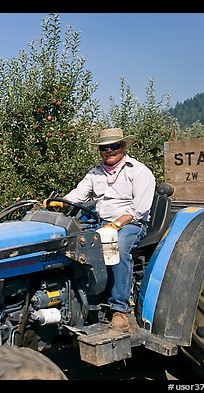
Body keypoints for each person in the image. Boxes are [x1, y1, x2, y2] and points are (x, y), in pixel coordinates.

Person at [46, 127, 156, 332]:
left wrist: (116, 225)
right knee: (72, 242)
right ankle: (81, 298)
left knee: (119, 249)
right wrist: (60, 202)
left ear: (123, 147)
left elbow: (139, 209)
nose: (109, 151)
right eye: (104, 148)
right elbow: (78, 195)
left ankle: (120, 309)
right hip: (101, 221)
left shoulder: (139, 171)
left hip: (130, 224)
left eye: (114, 146)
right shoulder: (95, 173)